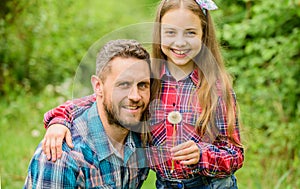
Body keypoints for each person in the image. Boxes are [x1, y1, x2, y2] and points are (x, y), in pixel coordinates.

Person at [41, 0, 244, 188]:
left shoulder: (215, 89)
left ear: (203, 35)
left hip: (211, 184)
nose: (180, 42)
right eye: (170, 32)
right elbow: (102, 99)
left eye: (190, 33)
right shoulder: (149, 79)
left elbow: (235, 154)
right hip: (166, 184)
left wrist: (203, 155)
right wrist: (59, 120)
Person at [24, 39, 154, 189]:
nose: (135, 96)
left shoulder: (140, 137)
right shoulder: (62, 157)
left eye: (142, 85)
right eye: (123, 84)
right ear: (98, 86)